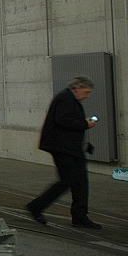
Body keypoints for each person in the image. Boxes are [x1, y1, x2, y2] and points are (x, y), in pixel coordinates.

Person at [26, 75, 101, 228]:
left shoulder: (68, 99)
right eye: (86, 92)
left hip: (71, 148)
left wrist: (83, 124)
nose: (87, 96)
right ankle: (36, 206)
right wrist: (84, 123)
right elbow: (63, 120)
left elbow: (66, 120)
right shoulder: (66, 98)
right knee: (68, 180)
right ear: (77, 88)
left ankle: (80, 216)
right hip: (62, 148)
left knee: (80, 182)